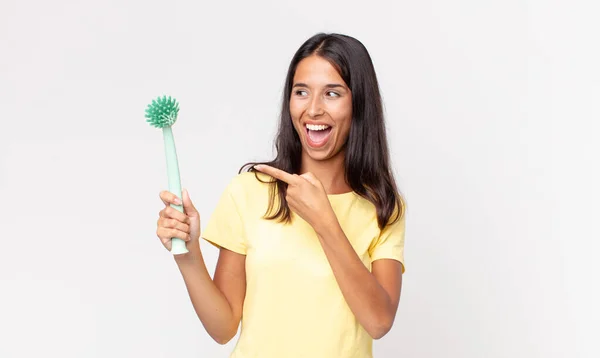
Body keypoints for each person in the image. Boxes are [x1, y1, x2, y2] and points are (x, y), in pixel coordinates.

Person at [155, 33, 407, 358]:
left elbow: (379, 321)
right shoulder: (249, 191)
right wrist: (188, 255)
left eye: (332, 93)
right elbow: (223, 328)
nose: (313, 109)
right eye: (301, 92)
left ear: (359, 103)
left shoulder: (383, 206)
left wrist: (325, 222)